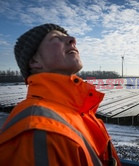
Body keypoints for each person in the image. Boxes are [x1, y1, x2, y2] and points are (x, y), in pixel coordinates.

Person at [0, 23, 121, 166]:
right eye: (56, 38)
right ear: (34, 61)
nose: (72, 39)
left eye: (67, 36)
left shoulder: (77, 111)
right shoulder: (36, 130)